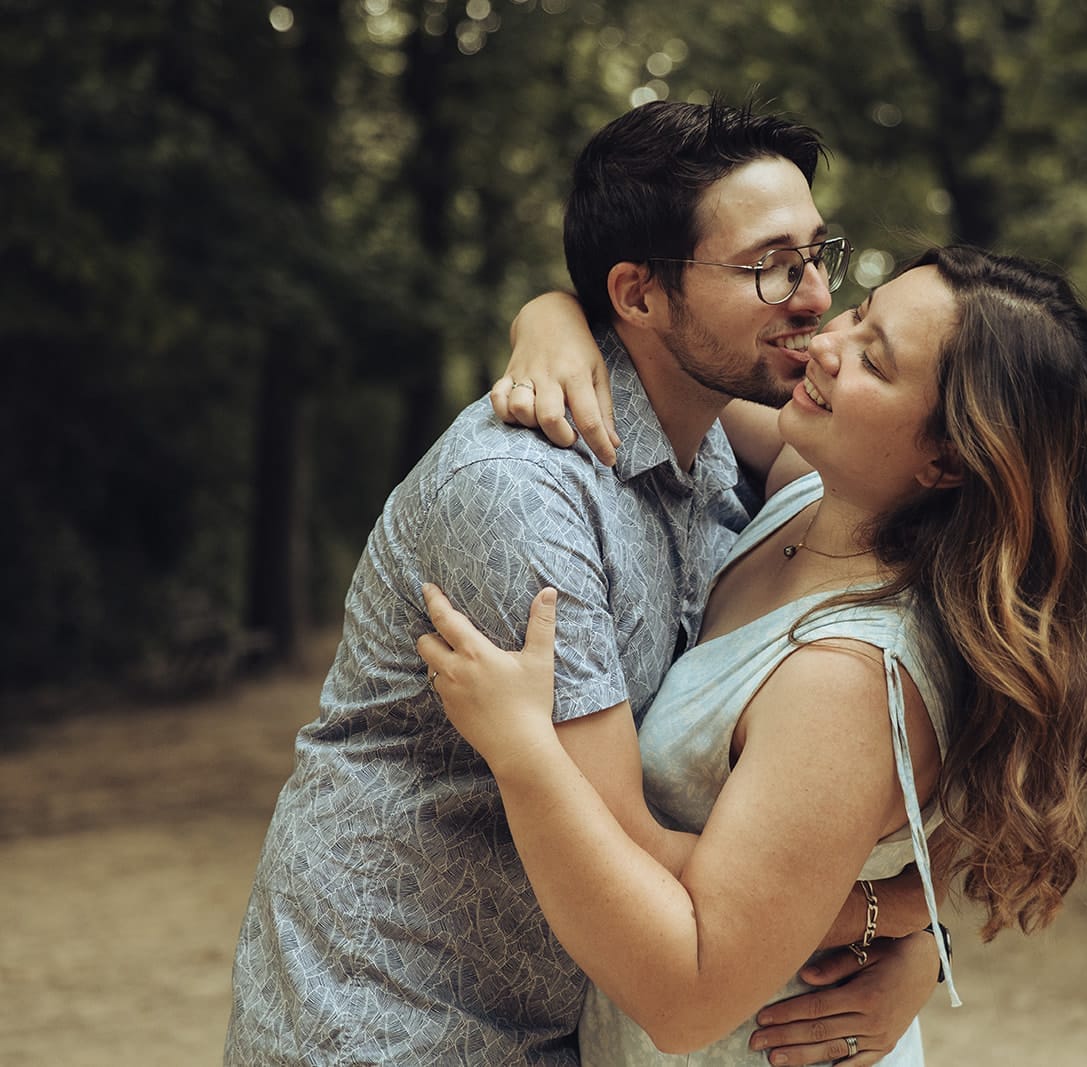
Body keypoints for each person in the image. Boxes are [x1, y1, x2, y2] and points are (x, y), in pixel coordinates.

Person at [225, 100, 942, 1066]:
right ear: (640, 296)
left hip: (559, 1025)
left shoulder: (726, 451)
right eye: (771, 264)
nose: (814, 296)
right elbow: (634, 848)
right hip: (396, 1018)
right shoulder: (524, 498)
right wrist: (887, 915)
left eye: (819, 254)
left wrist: (920, 942)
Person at [421, 246, 1087, 1064]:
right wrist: (551, 320)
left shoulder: (844, 680)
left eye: (875, 361)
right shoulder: (812, 480)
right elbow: (668, 374)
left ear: (948, 459)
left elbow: (690, 995)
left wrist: (525, 751)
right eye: (861, 313)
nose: (827, 343)